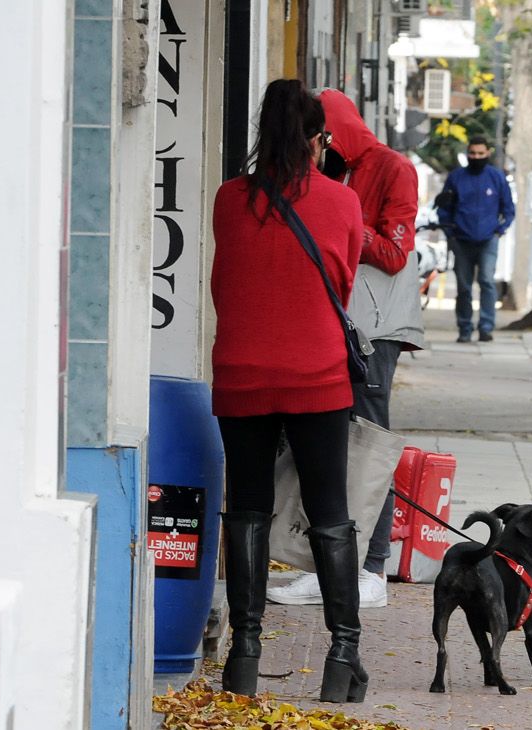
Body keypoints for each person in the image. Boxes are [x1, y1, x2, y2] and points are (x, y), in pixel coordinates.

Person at [210, 79, 369, 703]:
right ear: (316, 139)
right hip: (318, 376)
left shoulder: (228, 198)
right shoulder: (341, 202)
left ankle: (244, 654)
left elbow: (229, 281)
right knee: (330, 510)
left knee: (247, 507)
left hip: (241, 374)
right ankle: (343, 655)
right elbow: (345, 283)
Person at [266, 88, 424, 610]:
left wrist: (343, 219)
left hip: (374, 328)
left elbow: (396, 253)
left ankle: (371, 567)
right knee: (334, 442)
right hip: (339, 319)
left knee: (368, 442)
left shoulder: (391, 168)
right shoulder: (335, 168)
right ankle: (332, 563)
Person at [436, 136, 514, 343]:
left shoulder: (496, 177)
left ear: (488, 153)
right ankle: (464, 328)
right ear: (468, 153)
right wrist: (450, 234)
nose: (476, 157)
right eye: (473, 153)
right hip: (461, 240)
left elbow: (508, 209)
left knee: (487, 281)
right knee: (463, 286)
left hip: (488, 239)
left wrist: (500, 230)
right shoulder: (456, 177)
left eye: (481, 153)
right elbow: (444, 208)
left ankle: (486, 327)